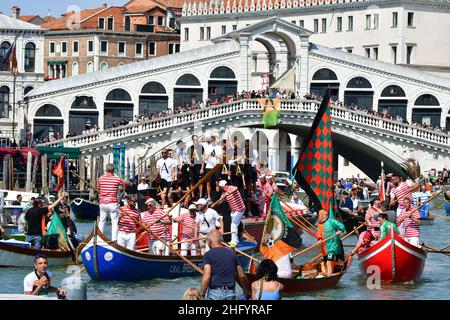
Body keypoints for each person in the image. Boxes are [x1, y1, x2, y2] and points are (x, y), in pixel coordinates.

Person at [200, 230, 250, 300]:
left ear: (209, 242)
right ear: (221, 241)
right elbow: (241, 275)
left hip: (215, 293)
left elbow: (207, 277)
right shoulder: (232, 253)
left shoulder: (208, 255)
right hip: (230, 292)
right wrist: (246, 291)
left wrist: (202, 294)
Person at [97, 163, 129, 241]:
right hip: (112, 203)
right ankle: (114, 239)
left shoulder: (101, 178)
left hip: (103, 203)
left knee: (102, 221)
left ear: (106, 170)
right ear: (113, 170)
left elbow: (98, 188)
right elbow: (125, 185)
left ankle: (99, 238)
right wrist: (123, 180)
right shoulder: (117, 179)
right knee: (114, 222)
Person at [316, 210, 346, 276]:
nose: (318, 217)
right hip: (324, 246)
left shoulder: (331, 221)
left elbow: (342, 226)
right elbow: (319, 233)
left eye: (319, 216)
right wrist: (319, 239)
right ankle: (324, 273)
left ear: (323, 216)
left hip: (332, 244)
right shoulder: (319, 224)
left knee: (329, 260)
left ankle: (329, 275)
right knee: (323, 261)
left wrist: (340, 231)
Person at [217, 180, 245, 246]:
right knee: (234, 226)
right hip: (233, 211)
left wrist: (229, 193)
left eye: (223, 187)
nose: (223, 188)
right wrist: (216, 203)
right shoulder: (223, 193)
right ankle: (236, 240)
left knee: (233, 225)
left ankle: (234, 242)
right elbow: (220, 201)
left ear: (226, 185)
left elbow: (236, 188)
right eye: (222, 187)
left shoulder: (231, 188)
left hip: (240, 210)